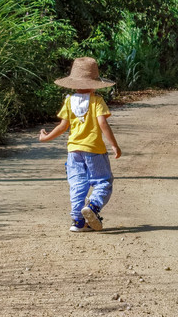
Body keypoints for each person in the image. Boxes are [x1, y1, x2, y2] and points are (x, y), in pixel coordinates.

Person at [39, 57, 121, 232]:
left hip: (73, 151)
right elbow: (103, 124)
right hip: (94, 150)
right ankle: (93, 207)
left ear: (73, 83)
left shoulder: (69, 101)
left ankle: (78, 221)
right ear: (94, 84)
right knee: (103, 181)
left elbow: (63, 126)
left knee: (77, 184)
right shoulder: (96, 101)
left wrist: (46, 138)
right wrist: (114, 145)